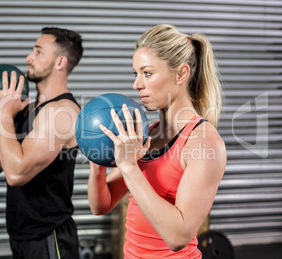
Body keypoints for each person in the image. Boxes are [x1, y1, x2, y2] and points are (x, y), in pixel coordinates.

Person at [87, 24, 227, 258]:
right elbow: (101, 205)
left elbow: (178, 237)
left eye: (147, 73)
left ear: (181, 74)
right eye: (136, 73)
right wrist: (97, 160)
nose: (136, 85)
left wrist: (130, 166)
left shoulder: (203, 143)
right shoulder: (147, 134)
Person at [0, 27, 83, 259]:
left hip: (49, 236)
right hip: (21, 235)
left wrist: (5, 114)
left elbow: (16, 174)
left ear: (60, 62)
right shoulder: (29, 110)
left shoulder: (61, 112)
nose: (29, 57)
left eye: (38, 52)